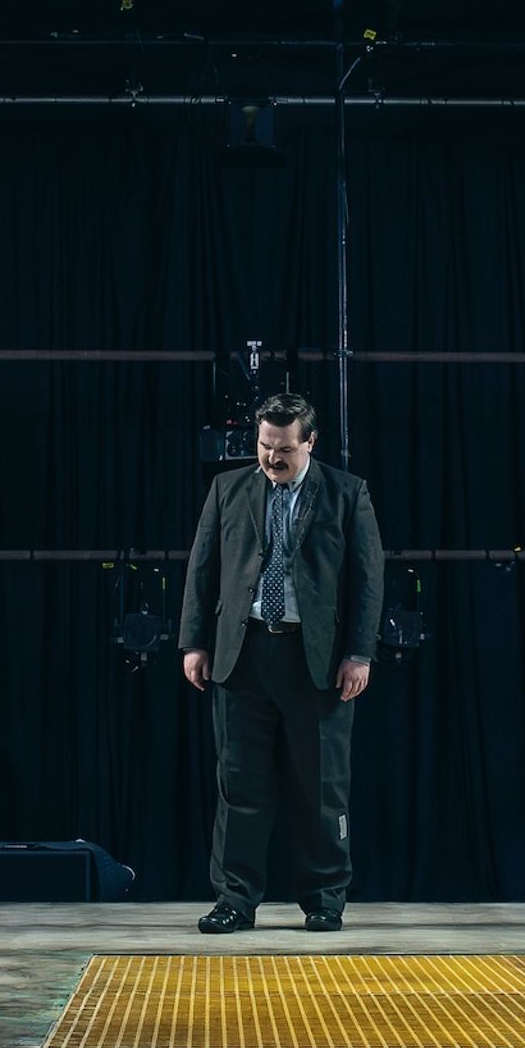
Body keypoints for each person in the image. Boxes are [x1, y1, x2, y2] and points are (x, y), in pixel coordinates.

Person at [177, 391, 385, 935]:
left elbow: (367, 580)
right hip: (242, 657)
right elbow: (203, 569)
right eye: (265, 446)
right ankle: (235, 901)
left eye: (284, 449)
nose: (272, 458)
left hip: (313, 660)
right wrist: (194, 644)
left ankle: (323, 899)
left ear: (309, 442)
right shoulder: (228, 488)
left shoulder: (346, 493)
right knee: (240, 786)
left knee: (320, 787)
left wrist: (359, 653)